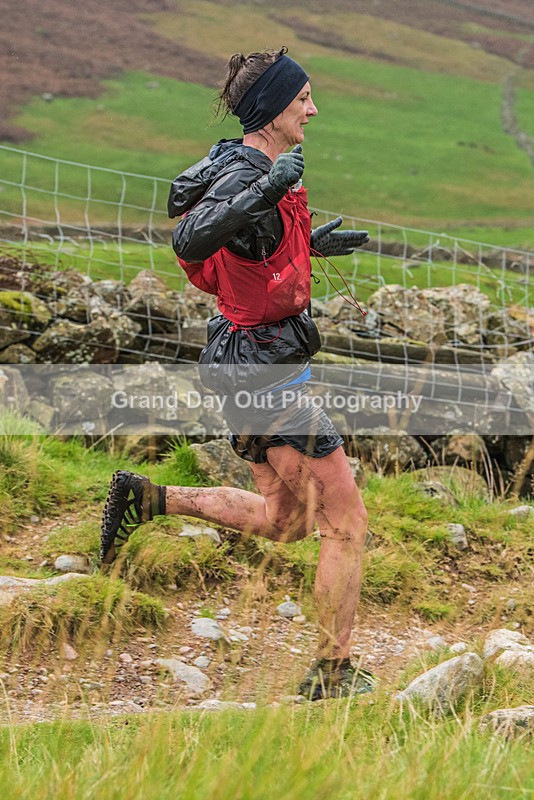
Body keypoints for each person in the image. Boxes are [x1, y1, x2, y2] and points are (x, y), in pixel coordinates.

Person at [101, 48, 375, 701]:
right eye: (302, 97)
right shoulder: (253, 173)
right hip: (263, 375)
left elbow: (248, 246)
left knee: (286, 522)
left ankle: (146, 500)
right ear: (271, 109)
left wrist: (309, 241)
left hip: (241, 362)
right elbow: (191, 239)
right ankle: (331, 675)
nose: (313, 108)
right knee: (345, 523)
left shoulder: (243, 164)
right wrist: (272, 188)